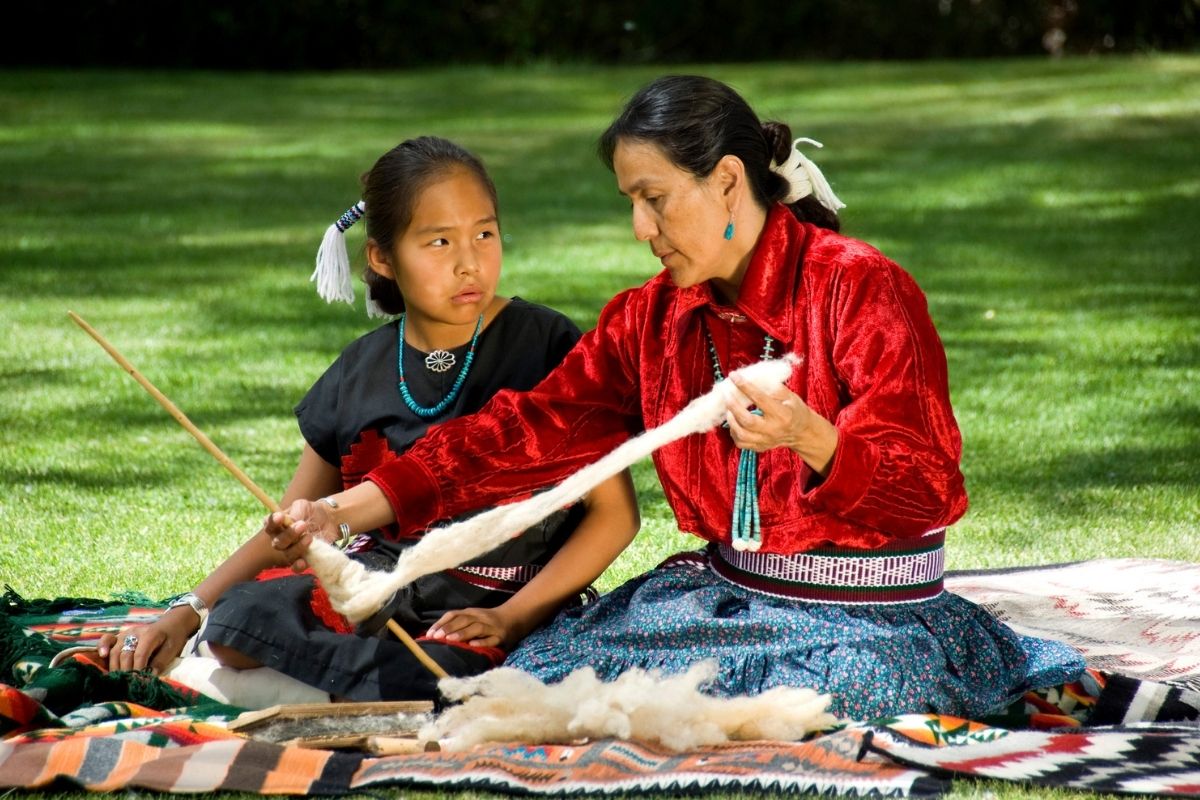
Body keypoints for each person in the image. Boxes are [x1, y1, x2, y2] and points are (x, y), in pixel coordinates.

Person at [270, 78, 1085, 720]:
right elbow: (526, 432)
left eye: (653, 197)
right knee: (546, 675)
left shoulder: (857, 288)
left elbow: (930, 484)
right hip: (730, 596)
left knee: (842, 694)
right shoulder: (652, 319)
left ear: (728, 182)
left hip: (871, 619)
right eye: (630, 200)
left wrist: (816, 440)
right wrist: (352, 510)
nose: (639, 226)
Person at [97, 136, 640, 701]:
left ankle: (309, 689)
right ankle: (357, 689)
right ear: (383, 257)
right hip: (378, 589)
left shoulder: (547, 346)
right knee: (239, 623)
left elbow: (615, 515)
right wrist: (188, 610)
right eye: (438, 241)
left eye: (485, 232)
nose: (469, 261)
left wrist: (516, 617)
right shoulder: (360, 368)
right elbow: (293, 524)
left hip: (495, 602)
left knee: (442, 668)